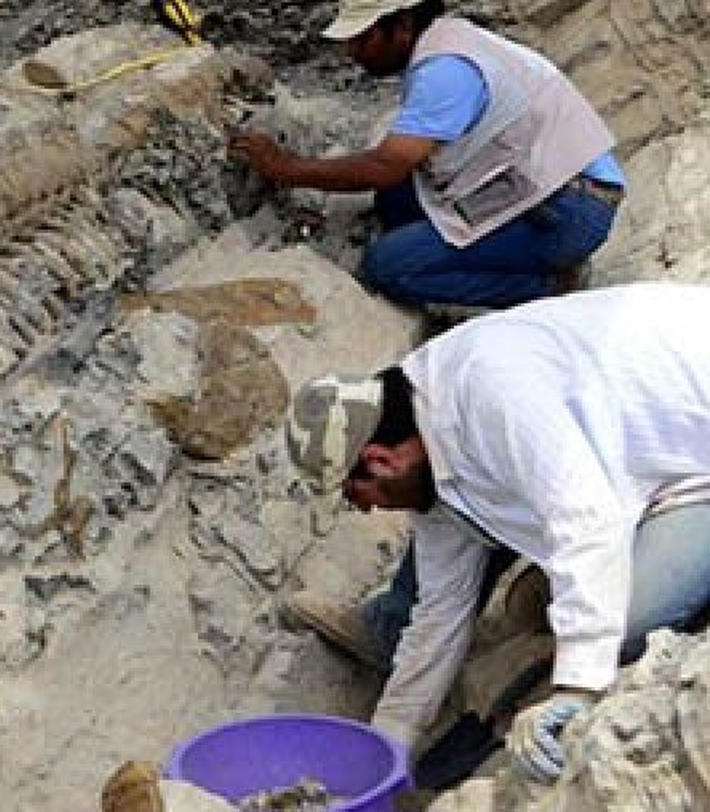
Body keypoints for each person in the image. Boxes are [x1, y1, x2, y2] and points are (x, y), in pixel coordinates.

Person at [285, 284, 710, 783]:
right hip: (639, 460)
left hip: (694, 452)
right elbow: (440, 611)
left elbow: (588, 518)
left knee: (624, 621)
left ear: (380, 460)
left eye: (359, 497)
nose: (368, 509)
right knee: (544, 608)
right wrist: (390, 741)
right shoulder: (425, 435)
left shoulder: (490, 393)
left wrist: (576, 689)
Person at [228, 0, 623, 311]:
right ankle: (475, 252)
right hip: (557, 186)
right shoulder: (452, 38)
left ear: (400, 26)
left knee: (388, 266)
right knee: (398, 197)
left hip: (567, 210)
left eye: (363, 39)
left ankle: (547, 287)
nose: (353, 52)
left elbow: (384, 166)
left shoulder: (445, 70)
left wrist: (287, 169)